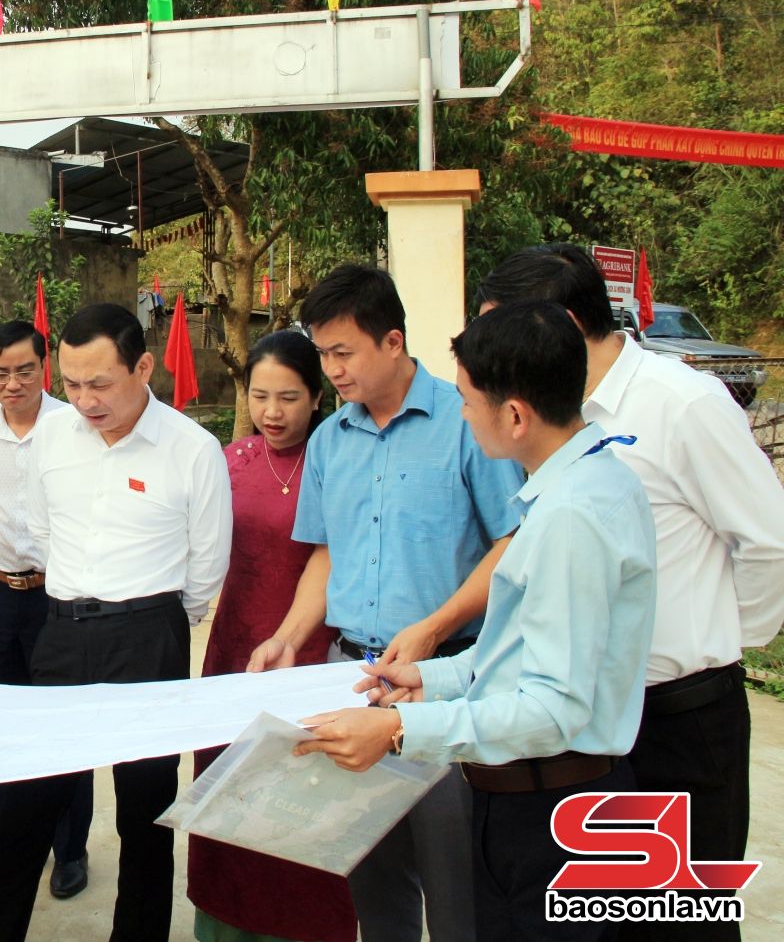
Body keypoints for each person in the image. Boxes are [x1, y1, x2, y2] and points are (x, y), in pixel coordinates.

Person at [296, 300, 658, 942]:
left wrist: (400, 729)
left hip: (553, 809)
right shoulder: (582, 485)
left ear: (514, 415)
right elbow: (516, 648)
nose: (460, 415)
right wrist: (431, 680)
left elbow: (552, 709)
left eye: (466, 402)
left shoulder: (571, 517)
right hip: (537, 795)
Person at [475, 243, 784, 941]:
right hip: (586, 728)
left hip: (678, 718)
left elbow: (769, 542)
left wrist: (718, 644)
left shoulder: (682, 403)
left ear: (560, 326)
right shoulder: (543, 416)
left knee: (683, 922)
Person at [248, 264, 524, 942]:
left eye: (344, 352)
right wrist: (289, 636)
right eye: (323, 353)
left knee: (456, 880)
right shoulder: (330, 440)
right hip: (351, 678)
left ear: (393, 341)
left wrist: (433, 628)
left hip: (443, 681)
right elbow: (328, 553)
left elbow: (513, 542)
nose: (332, 370)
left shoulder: (466, 422)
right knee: (373, 874)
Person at [0, 303, 232, 942]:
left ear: (143, 368)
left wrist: (154, 619)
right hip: (61, 632)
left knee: (145, 813)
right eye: (72, 383)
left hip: (148, 638)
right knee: (28, 804)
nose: (85, 400)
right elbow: (42, 529)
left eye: (100, 383)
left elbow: (207, 561)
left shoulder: (191, 449)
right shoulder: (54, 437)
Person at [189, 329, 356, 942]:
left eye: (288, 398)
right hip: (233, 652)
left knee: (304, 806)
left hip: (309, 654)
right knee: (228, 800)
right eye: (260, 396)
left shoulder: (339, 462)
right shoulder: (229, 461)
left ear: (317, 397)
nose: (272, 413)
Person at [0, 320, 94, 902]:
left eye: (24, 371)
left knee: (64, 725)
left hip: (57, 596)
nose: (11, 383)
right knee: (2, 725)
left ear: (45, 368)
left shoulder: (73, 427)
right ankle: (11, 843)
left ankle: (69, 849)